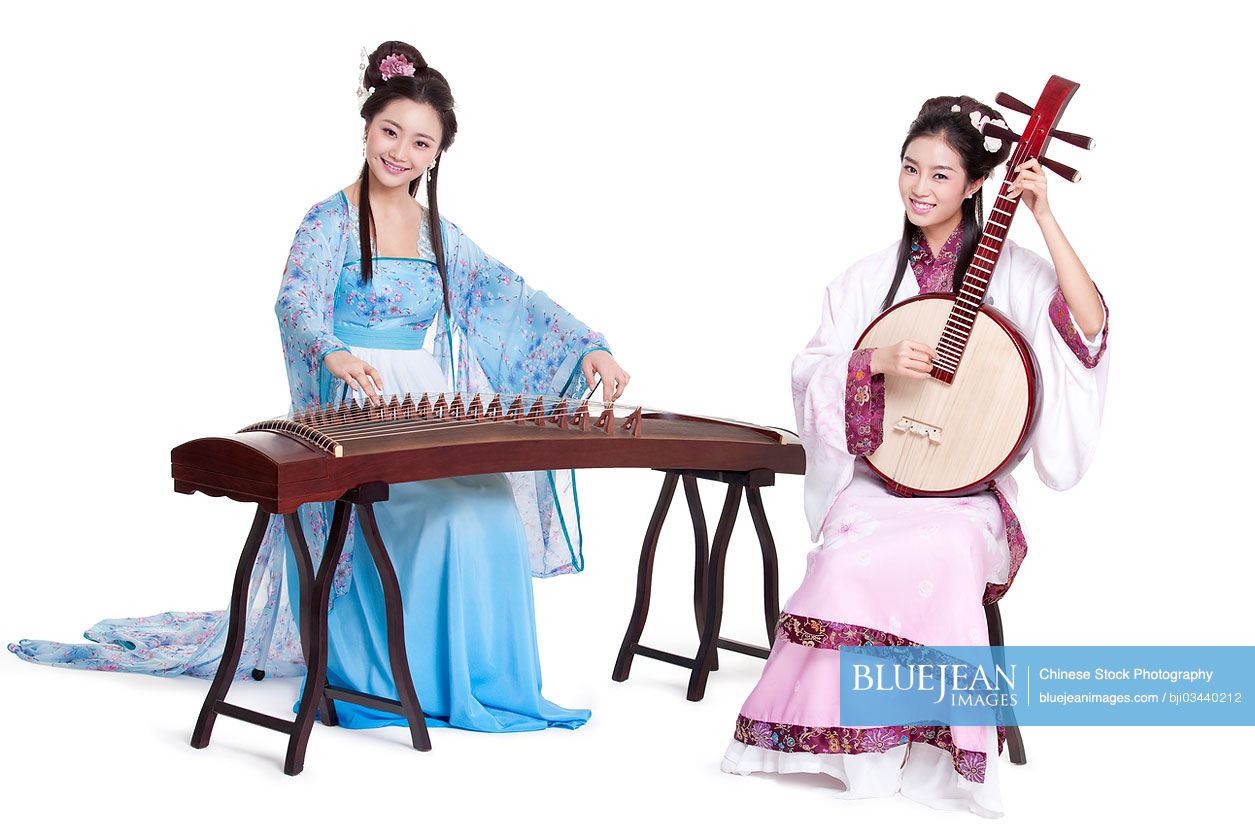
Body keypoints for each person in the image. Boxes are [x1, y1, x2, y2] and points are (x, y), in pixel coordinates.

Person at [10, 40, 630, 735]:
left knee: (489, 507)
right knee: (439, 517)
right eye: (390, 131)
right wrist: (329, 351)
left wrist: (590, 346)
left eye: (419, 142)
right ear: (367, 127)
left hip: (416, 401)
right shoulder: (328, 220)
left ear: (436, 155)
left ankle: (477, 684)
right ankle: (372, 675)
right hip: (351, 404)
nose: (400, 151)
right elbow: (295, 302)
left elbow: (508, 298)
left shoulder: (438, 234)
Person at [719, 95, 1109, 817]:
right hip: (880, 480)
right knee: (843, 560)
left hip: (965, 495)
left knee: (946, 549)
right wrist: (870, 361)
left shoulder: (1014, 272)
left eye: (939, 174)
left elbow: (1086, 331)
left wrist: (1046, 216)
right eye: (909, 168)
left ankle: (932, 746)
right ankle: (852, 749)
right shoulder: (866, 279)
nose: (919, 187)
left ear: (972, 185)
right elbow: (809, 372)